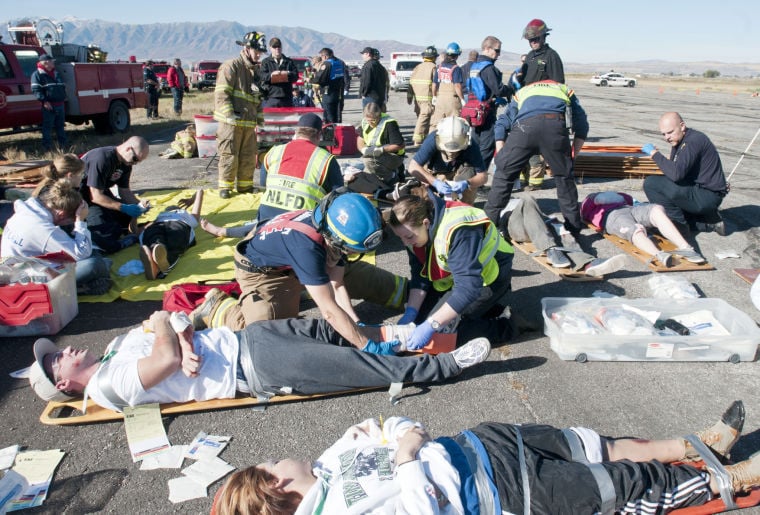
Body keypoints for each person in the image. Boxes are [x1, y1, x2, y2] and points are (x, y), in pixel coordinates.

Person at [213, 402, 760, 514]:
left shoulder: (330, 461)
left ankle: (702, 445)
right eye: (267, 468)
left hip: (485, 443)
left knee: (603, 444)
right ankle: (726, 481)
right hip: (506, 495)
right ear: (276, 491)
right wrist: (405, 459)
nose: (275, 459)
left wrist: (407, 435)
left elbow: (388, 424)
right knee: (624, 484)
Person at [28, 309, 492, 410]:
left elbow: (167, 319)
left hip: (248, 338)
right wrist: (173, 338)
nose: (63, 352)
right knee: (363, 370)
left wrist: (183, 341)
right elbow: (164, 356)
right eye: (56, 364)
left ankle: (405, 335)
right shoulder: (109, 387)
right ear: (66, 385)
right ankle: (447, 367)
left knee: (337, 327)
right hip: (257, 370)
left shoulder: (111, 353)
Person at [190, 190, 401, 351]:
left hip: (289, 257)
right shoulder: (307, 248)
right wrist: (366, 345)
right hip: (262, 272)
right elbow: (328, 311)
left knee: (362, 277)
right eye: (351, 250)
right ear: (335, 239)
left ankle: (405, 293)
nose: (352, 255)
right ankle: (219, 308)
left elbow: (337, 283)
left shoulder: (330, 224)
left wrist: (355, 322)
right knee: (268, 336)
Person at [386, 191, 518, 349]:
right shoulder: (413, 234)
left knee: (442, 335)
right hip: (458, 278)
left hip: (488, 278)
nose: (405, 242)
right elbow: (420, 274)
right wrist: (411, 312)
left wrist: (432, 325)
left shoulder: (459, 230)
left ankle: (508, 326)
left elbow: (468, 288)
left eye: (407, 237)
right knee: (417, 324)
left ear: (426, 223)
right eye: (399, 237)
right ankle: (487, 309)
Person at [485, 80, 589, 239]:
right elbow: (581, 123)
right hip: (554, 126)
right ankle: (573, 227)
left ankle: (488, 224)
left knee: (504, 175)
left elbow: (503, 122)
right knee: (564, 177)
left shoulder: (523, 91)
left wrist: (501, 151)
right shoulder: (564, 89)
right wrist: (572, 154)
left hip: (524, 128)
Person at [1, 178, 112, 295]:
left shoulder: (29, 210)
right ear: (62, 214)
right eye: (71, 219)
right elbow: (82, 253)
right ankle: (77, 289)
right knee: (93, 264)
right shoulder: (43, 229)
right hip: (24, 279)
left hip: (20, 266)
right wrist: (80, 221)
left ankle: (82, 285)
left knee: (88, 252)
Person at [642, 112, 728, 236]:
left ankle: (677, 226)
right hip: (704, 192)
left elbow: (676, 174)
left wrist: (655, 154)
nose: (667, 137)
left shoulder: (693, 141)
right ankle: (710, 222)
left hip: (707, 195)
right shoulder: (680, 140)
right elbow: (674, 171)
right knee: (664, 189)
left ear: (682, 126)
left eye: (670, 132)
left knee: (652, 184)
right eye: (664, 134)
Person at [503, 194, 628, 276]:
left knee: (557, 226)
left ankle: (587, 263)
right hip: (515, 226)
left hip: (537, 225)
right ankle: (550, 249)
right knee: (528, 199)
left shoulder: (520, 200)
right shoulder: (503, 202)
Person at [581, 191, 706, 267]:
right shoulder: (590, 200)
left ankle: (686, 248)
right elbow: (599, 199)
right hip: (611, 215)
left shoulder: (623, 197)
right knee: (633, 230)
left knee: (656, 210)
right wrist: (616, 198)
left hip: (630, 208)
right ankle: (659, 255)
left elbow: (636, 203)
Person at [256, 113, 343, 222]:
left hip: (266, 218)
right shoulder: (326, 159)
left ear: (296, 132)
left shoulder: (275, 150)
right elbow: (337, 195)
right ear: (319, 135)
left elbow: (263, 182)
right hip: (302, 223)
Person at [214, 31, 266, 199]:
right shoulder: (231, 66)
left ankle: (245, 186)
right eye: (256, 51)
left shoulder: (254, 71)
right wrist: (229, 114)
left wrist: (259, 117)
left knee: (248, 155)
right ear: (246, 48)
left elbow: (256, 97)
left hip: (248, 124)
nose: (259, 55)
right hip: (231, 123)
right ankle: (225, 187)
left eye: (260, 52)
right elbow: (222, 94)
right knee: (229, 154)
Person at [79, 137, 151, 254]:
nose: (134, 163)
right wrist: (123, 207)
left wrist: (139, 205)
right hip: (82, 197)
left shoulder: (126, 163)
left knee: (126, 218)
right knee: (108, 231)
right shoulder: (102, 158)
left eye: (138, 162)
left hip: (101, 193)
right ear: (128, 149)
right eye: (135, 159)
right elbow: (95, 196)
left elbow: (124, 192)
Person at [409, 116, 487, 206]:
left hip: (459, 173)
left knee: (468, 187)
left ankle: (463, 208)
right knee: (426, 201)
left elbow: (483, 176)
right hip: (435, 172)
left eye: (456, 149)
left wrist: (467, 183)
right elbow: (412, 167)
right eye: (448, 150)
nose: (451, 153)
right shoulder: (433, 139)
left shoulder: (471, 145)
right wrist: (435, 182)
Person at [465, 36, 512, 169]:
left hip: (473, 112)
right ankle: (477, 181)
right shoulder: (489, 68)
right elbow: (499, 90)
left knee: (475, 144)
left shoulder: (474, 66)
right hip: (486, 113)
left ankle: (470, 176)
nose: (499, 54)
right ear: (487, 48)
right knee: (487, 147)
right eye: (496, 50)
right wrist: (512, 88)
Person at [138, 189, 204, 280]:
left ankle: (156, 259)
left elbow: (200, 192)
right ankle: (158, 257)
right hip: (163, 224)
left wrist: (191, 200)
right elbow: (200, 192)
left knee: (165, 237)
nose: (171, 207)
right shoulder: (161, 217)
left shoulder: (181, 214)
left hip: (171, 224)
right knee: (160, 237)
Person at [356, 102, 406, 188]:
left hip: (394, 156)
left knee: (368, 161)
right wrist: (363, 149)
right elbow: (360, 139)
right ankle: (390, 174)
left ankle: (392, 178)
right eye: (369, 120)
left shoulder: (389, 123)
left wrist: (381, 150)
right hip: (376, 156)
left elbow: (400, 145)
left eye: (374, 120)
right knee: (366, 176)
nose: (371, 123)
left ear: (379, 115)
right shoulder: (365, 122)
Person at [31, 54, 67, 151]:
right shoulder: (37, 74)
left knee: (60, 126)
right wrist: (45, 101)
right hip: (49, 106)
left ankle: (63, 146)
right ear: (46, 62)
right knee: (48, 127)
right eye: (52, 61)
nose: (53, 63)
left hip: (60, 104)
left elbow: (62, 86)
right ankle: (47, 148)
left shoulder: (56, 73)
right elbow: (36, 90)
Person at [430, 42, 466, 130]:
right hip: (452, 100)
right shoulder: (456, 68)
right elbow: (457, 85)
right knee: (454, 124)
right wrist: (462, 99)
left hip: (440, 99)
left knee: (436, 124)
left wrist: (434, 96)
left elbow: (434, 84)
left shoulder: (440, 67)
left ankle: (431, 142)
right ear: (457, 55)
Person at [519, 18, 565, 86]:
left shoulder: (552, 56)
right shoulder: (530, 55)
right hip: (527, 94)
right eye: (530, 40)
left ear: (544, 37)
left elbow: (558, 84)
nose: (533, 42)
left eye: (536, 38)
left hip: (542, 95)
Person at [407, 46, 438, 145]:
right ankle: (418, 140)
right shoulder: (434, 68)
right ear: (434, 57)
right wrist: (436, 97)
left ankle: (424, 139)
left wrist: (409, 97)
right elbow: (435, 84)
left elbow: (410, 84)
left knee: (422, 119)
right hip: (428, 100)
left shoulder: (417, 67)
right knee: (424, 120)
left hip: (418, 100)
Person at [259, 37, 298, 107]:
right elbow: (262, 75)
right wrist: (271, 75)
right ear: (270, 48)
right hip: (271, 97)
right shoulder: (266, 62)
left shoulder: (289, 61)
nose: (277, 49)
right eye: (274, 47)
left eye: (279, 46)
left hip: (286, 98)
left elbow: (296, 76)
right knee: (271, 117)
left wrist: (287, 73)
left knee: (288, 117)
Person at [313, 47, 344, 124]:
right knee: (336, 115)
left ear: (325, 56)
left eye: (321, 57)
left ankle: (330, 133)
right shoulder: (339, 63)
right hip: (337, 93)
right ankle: (336, 131)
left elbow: (319, 78)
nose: (321, 59)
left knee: (328, 116)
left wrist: (310, 80)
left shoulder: (327, 64)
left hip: (328, 93)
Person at [358, 46, 388, 110]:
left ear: (368, 54)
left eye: (363, 54)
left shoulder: (368, 66)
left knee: (369, 117)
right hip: (380, 97)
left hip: (370, 97)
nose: (362, 56)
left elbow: (366, 82)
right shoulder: (380, 66)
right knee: (378, 117)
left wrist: (363, 93)